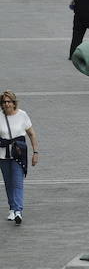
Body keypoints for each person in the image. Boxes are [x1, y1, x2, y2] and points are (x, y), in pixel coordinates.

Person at [0, 89, 39, 224]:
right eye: (4, 102)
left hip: (18, 154)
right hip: (3, 155)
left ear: (14, 102)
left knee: (17, 182)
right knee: (8, 183)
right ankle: (12, 208)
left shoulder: (22, 115)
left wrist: (35, 153)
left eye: (9, 101)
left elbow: (32, 134)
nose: (6, 104)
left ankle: (18, 211)